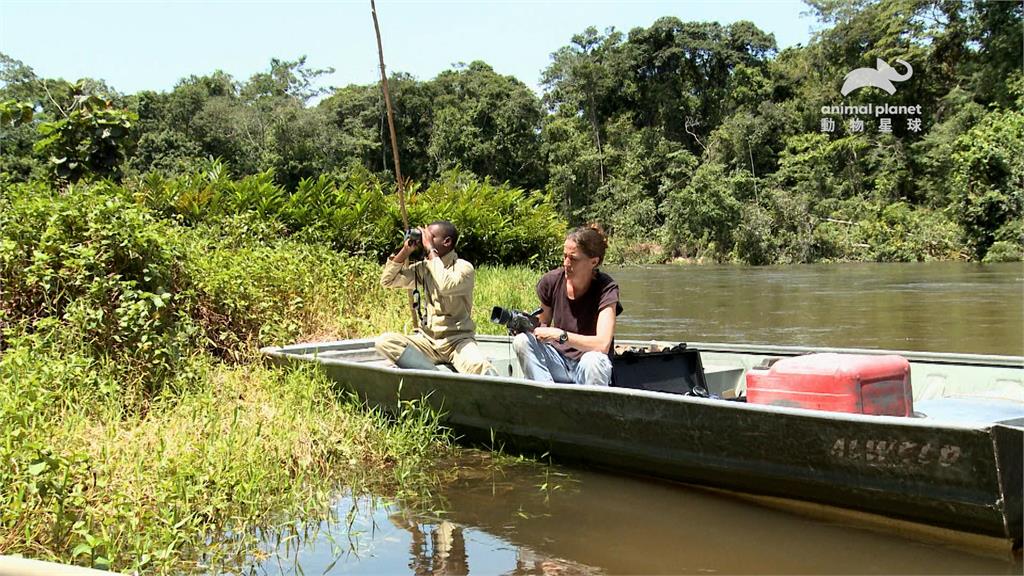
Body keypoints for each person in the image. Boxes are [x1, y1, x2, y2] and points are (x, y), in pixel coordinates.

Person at [374, 220, 496, 375]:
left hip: (457, 341)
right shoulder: (425, 268)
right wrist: (405, 251)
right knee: (385, 342)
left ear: (447, 242)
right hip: (429, 341)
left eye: (430, 237)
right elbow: (388, 281)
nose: (425, 241)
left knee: (480, 367)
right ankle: (436, 376)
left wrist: (431, 250)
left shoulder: (464, 268)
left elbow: (446, 286)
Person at [513, 224, 622, 386]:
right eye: (564, 256)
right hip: (558, 361)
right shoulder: (551, 281)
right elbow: (542, 323)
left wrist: (561, 335)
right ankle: (546, 397)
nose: (566, 263)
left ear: (594, 262)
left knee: (595, 360)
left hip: (587, 363)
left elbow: (602, 344)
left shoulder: (606, 287)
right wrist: (526, 325)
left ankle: (592, 409)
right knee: (522, 341)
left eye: (573, 259)